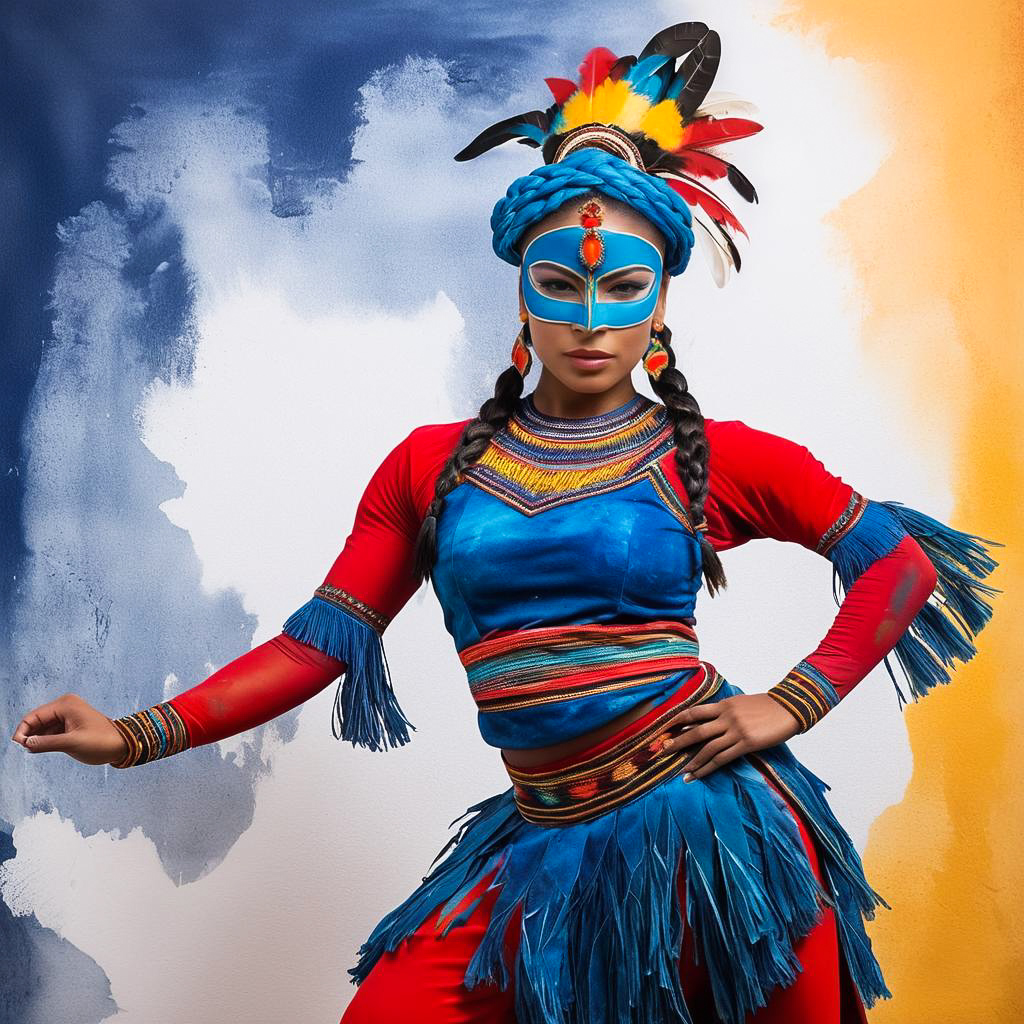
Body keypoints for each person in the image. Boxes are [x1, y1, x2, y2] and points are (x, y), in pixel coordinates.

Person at [10, 22, 999, 1024]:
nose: (589, 319)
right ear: (521, 297)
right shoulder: (428, 468)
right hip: (541, 844)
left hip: (725, 847)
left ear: (660, 310)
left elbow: (898, 564)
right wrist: (131, 735)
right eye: (559, 286)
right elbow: (316, 646)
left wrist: (790, 701)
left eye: (623, 289)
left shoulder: (718, 455)